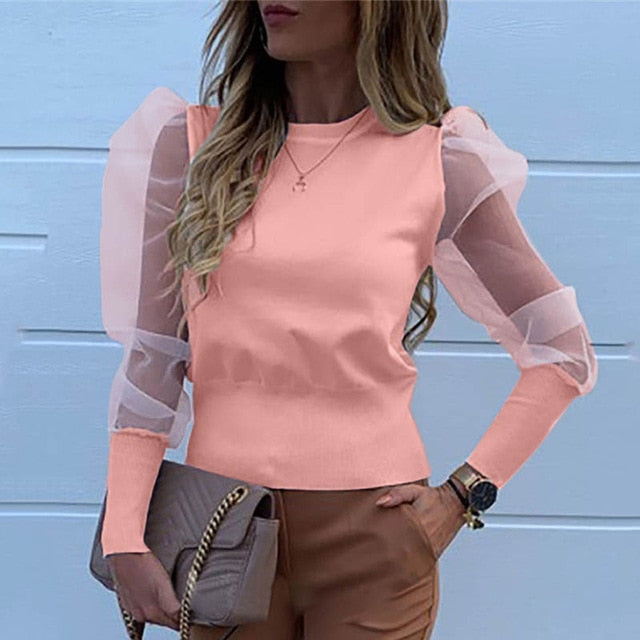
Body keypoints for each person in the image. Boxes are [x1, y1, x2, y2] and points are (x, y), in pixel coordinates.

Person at [98, 1, 598, 638]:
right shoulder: (195, 146)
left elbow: (563, 351)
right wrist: (123, 532)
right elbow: (155, 355)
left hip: (376, 537)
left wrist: (463, 495)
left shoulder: (436, 159)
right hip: (221, 532)